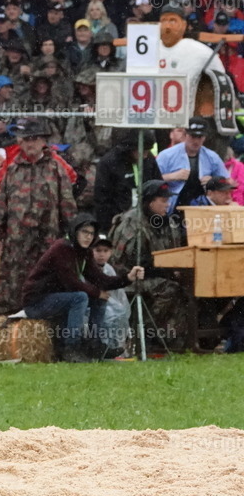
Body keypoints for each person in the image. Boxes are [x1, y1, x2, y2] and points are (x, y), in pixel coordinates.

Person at [21, 214, 144, 363]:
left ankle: (94, 344)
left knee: (99, 298)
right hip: (36, 302)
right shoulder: (62, 248)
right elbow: (71, 283)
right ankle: (71, 348)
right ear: (75, 231)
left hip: (58, 299)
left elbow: (100, 279)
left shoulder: (84, 251)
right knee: (81, 297)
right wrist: (97, 292)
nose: (88, 237)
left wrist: (128, 278)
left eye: (91, 233)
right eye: (84, 232)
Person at [0, 119, 78, 314]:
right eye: (26, 139)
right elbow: (1, 205)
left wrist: (71, 237)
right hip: (16, 242)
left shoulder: (56, 168)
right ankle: (11, 324)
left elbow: (68, 205)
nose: (30, 143)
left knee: (45, 285)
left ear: (43, 141)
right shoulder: (12, 169)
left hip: (47, 241)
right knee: (14, 287)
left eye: (34, 138)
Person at [109, 181, 189, 352]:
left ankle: (173, 341)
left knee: (185, 287)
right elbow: (120, 263)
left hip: (158, 274)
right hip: (129, 278)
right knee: (170, 289)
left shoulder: (167, 221)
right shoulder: (131, 223)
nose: (168, 204)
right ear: (151, 202)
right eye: (163, 200)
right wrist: (162, 270)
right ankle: (145, 333)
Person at [94, 130, 161, 233]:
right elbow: (102, 199)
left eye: (147, 152)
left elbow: (158, 187)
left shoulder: (149, 160)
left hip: (147, 222)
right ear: (131, 149)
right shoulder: (109, 163)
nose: (145, 156)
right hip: (119, 223)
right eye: (143, 152)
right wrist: (106, 228)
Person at [157, 117, 229, 211]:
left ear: (205, 138)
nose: (196, 141)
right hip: (172, 206)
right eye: (193, 136)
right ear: (185, 135)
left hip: (202, 207)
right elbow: (151, 181)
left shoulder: (212, 157)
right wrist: (172, 176)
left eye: (200, 137)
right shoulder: (166, 155)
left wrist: (213, 181)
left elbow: (228, 181)